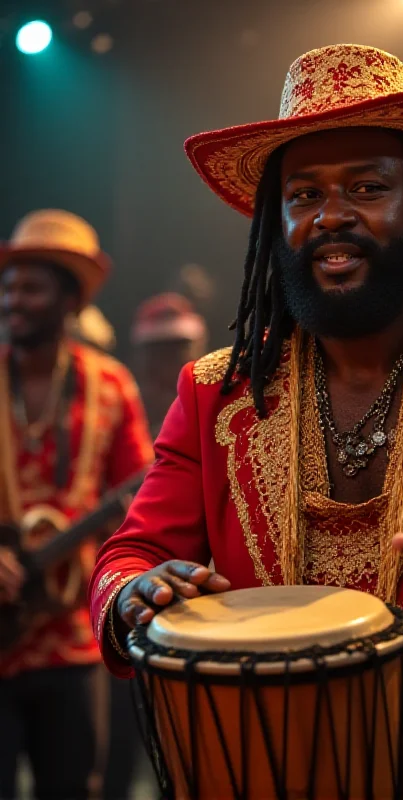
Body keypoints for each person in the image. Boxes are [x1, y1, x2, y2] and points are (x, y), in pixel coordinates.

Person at [90, 45, 403, 799]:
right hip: (260, 780)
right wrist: (135, 593)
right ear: (277, 220)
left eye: (368, 187)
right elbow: (130, 555)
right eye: (303, 195)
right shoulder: (215, 389)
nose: (330, 216)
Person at [0, 209, 153, 800]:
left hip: (72, 640)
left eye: (31, 288)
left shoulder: (111, 385)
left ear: (69, 300)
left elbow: (142, 500)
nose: (13, 299)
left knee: (75, 789)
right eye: (9, 286)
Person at [131, 292, 208, 437]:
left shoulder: (215, 405)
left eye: (182, 347)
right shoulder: (128, 410)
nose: (179, 358)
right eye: (162, 351)